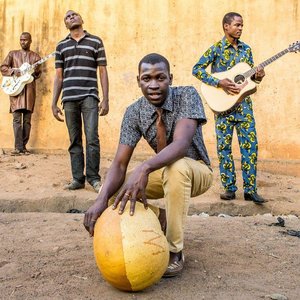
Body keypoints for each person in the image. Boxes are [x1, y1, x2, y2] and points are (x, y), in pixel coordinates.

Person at [84, 53, 213, 277]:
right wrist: (100, 199)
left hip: (196, 170)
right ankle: (160, 218)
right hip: (163, 171)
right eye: (146, 79)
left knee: (177, 167)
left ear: (170, 78)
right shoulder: (134, 112)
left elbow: (181, 145)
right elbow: (120, 163)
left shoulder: (187, 95)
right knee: (116, 191)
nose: (153, 85)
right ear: (138, 80)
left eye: (160, 78)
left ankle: (175, 250)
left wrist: (143, 168)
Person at [192, 12, 266, 204]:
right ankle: (230, 189)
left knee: (250, 149)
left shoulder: (246, 50)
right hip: (223, 108)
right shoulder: (216, 49)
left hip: (244, 108)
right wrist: (219, 83)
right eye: (237, 25)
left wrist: (258, 76)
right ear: (226, 26)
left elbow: (248, 79)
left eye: (242, 25)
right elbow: (197, 69)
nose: (240, 28)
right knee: (224, 148)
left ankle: (250, 190)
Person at [52, 10, 109, 193]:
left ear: (82, 19)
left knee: (92, 138)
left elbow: (102, 71)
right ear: (65, 25)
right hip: (69, 98)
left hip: (90, 96)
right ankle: (78, 178)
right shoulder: (61, 46)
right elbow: (58, 77)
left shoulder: (96, 41)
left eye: (74, 15)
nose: (71, 17)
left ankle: (93, 178)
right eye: (67, 17)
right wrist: (54, 103)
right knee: (74, 139)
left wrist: (105, 98)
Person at [1, 32, 42, 155]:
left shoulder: (35, 57)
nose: (23, 42)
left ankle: (23, 147)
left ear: (30, 41)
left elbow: (38, 74)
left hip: (29, 92)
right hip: (15, 91)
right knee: (17, 120)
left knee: (27, 121)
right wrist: (13, 72)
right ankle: (18, 148)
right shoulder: (12, 54)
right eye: (21, 40)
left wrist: (33, 72)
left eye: (25, 40)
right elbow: (3, 67)